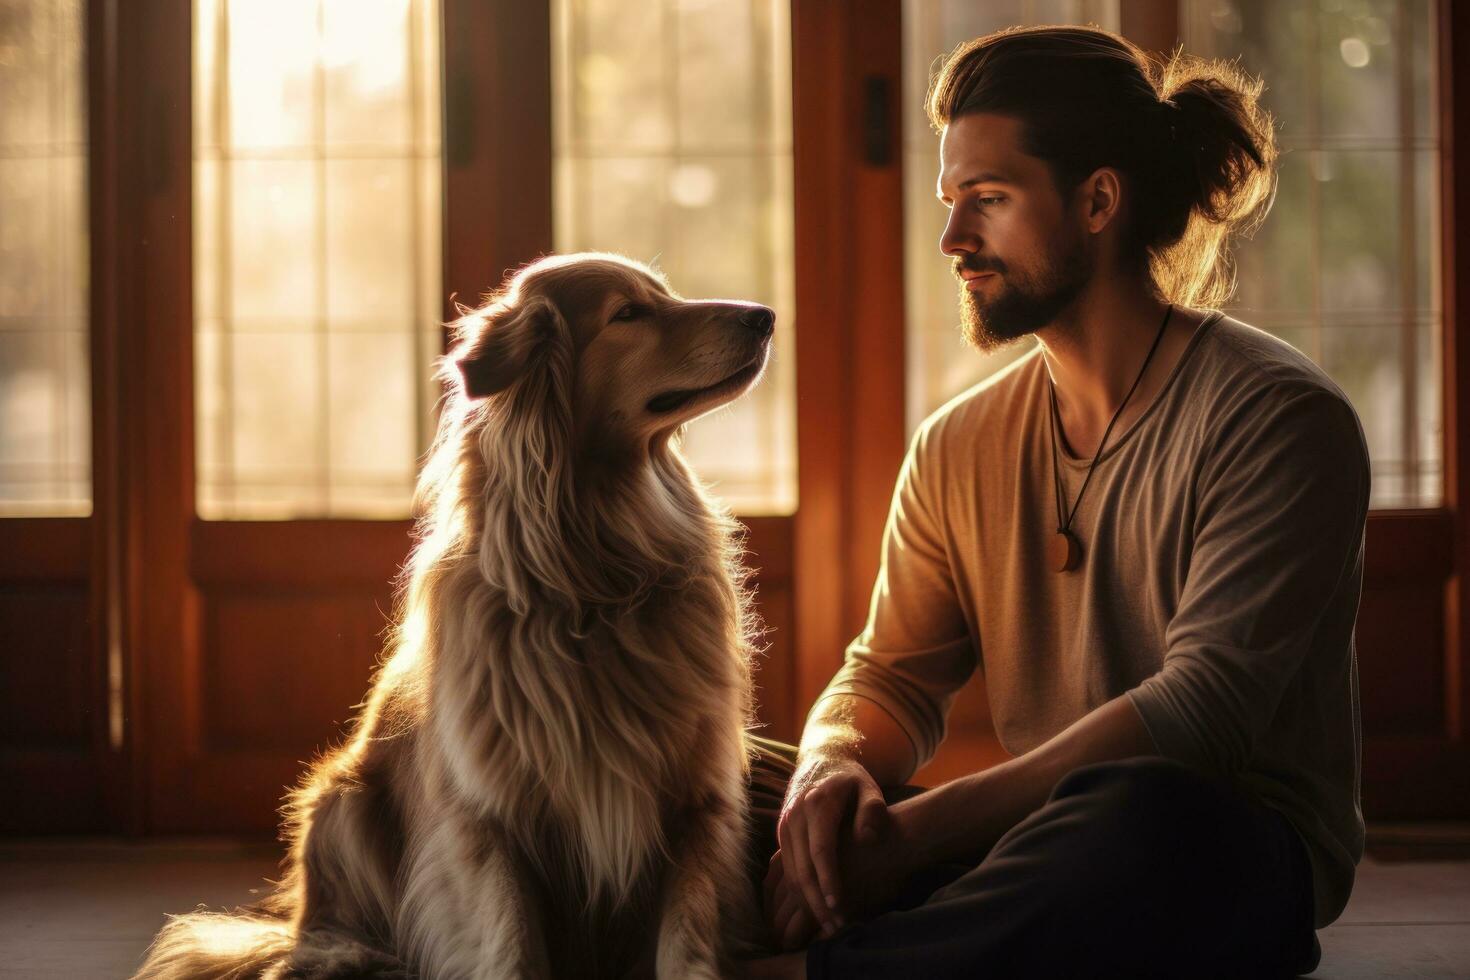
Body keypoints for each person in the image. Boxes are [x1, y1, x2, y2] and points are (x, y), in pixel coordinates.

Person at [736, 24, 1367, 980]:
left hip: (1207, 851)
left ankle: (817, 968)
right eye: (951, 203)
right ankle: (904, 949)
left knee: (1139, 821)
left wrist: (910, 838)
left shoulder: (1279, 420)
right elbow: (891, 679)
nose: (952, 240)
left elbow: (1203, 717)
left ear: (1098, 200)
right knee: (727, 781)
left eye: (988, 200)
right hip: (1019, 842)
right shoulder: (956, 444)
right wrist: (832, 769)